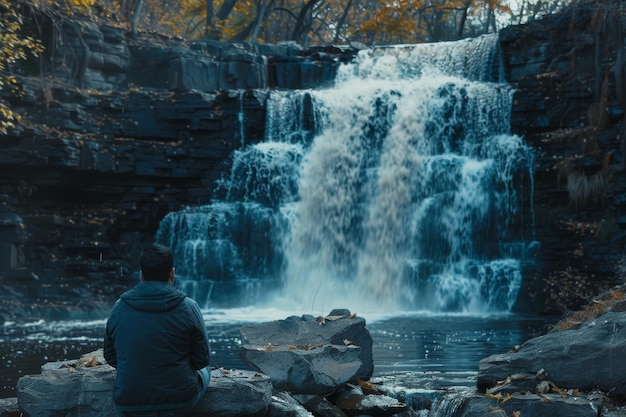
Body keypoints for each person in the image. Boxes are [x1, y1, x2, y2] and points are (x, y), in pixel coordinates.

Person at [104, 243, 211, 417]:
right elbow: (202, 360)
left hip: (129, 403)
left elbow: (110, 356)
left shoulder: (119, 307)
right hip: (180, 402)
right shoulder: (189, 306)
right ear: (172, 273)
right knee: (205, 371)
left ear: (141, 274)